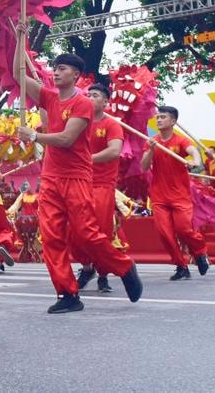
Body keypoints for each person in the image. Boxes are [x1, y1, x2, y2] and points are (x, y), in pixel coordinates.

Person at [15, 42, 142, 314]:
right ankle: (68, 294)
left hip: (76, 177)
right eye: (55, 68)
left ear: (75, 75)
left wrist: (34, 136)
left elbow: (66, 139)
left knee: (86, 234)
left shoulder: (82, 103)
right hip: (50, 179)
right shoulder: (49, 97)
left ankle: (123, 266)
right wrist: (19, 42)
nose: (56, 72)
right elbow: (18, 74)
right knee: (51, 238)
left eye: (62, 69)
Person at [139, 105, 209, 280]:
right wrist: (151, 150)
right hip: (159, 195)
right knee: (165, 233)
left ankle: (200, 253)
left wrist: (195, 161)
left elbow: (194, 152)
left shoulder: (181, 141)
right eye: (158, 117)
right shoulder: (152, 141)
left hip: (180, 195)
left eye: (163, 117)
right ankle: (181, 265)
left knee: (184, 229)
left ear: (173, 121)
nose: (159, 119)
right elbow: (144, 166)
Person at [73, 84, 126, 292]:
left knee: (100, 231)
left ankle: (103, 273)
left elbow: (114, 151)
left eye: (95, 95)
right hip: (78, 182)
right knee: (74, 230)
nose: (89, 97)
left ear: (105, 102)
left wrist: (87, 159)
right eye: (87, 94)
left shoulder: (112, 125)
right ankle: (87, 268)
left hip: (102, 185)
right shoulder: (77, 123)